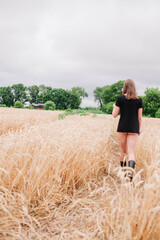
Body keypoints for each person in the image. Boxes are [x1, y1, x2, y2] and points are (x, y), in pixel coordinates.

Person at [112, 79, 143, 180]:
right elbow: (139, 117)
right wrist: (139, 128)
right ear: (134, 87)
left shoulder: (120, 99)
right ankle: (130, 173)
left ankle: (123, 172)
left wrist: (114, 106)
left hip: (122, 127)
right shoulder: (139, 100)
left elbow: (114, 115)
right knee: (131, 151)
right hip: (134, 128)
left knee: (123, 151)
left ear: (124, 87)